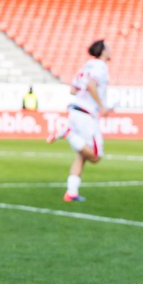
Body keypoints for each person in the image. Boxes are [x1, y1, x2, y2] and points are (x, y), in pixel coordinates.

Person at [47, 39, 113, 202]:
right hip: (86, 113)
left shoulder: (87, 65)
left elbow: (73, 89)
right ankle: (67, 132)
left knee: (81, 154)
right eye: (108, 48)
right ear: (102, 51)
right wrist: (101, 106)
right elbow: (91, 85)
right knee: (96, 156)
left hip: (75, 109)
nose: (111, 51)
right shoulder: (100, 66)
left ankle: (71, 192)